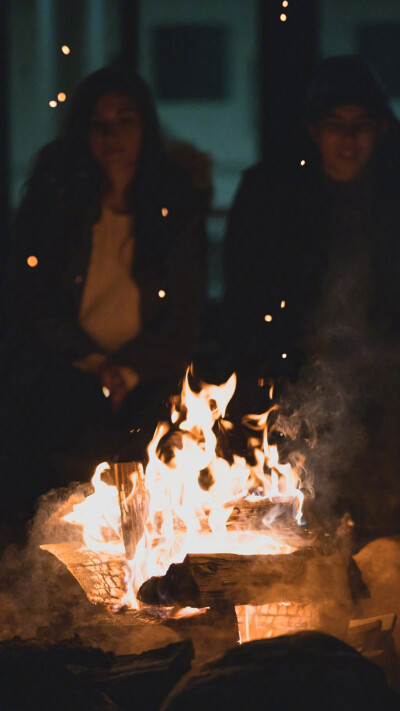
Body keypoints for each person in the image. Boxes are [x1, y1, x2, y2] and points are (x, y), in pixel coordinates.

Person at [0, 65, 206, 541]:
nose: (112, 135)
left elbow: (184, 314)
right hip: (62, 367)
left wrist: (128, 371)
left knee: (151, 444)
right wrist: (92, 363)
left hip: (145, 374)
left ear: (145, 127)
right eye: (99, 122)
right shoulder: (56, 201)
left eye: (125, 120)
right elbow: (31, 301)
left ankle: (143, 563)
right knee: (51, 423)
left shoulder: (172, 204)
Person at [222, 55, 400, 531]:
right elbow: (247, 298)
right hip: (293, 365)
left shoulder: (389, 200)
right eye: (335, 124)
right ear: (313, 129)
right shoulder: (273, 195)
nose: (348, 138)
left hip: (384, 373)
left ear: (381, 130)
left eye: (361, 124)